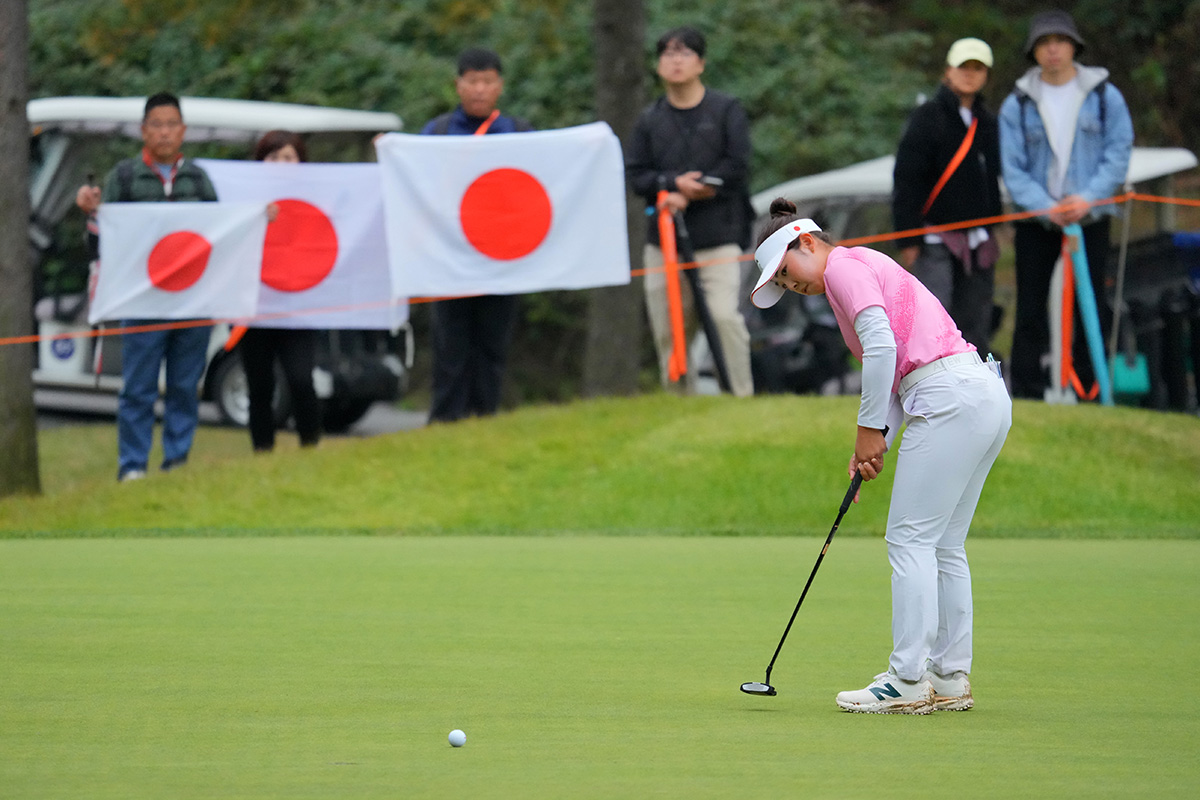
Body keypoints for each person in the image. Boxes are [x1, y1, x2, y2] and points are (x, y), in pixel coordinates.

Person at [750, 199, 1012, 714]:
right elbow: (890, 369)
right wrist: (878, 439)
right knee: (943, 544)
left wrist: (868, 429)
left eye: (785, 271)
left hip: (946, 395)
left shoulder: (845, 266)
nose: (789, 284)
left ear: (807, 241)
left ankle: (908, 679)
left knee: (910, 539)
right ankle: (949, 677)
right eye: (779, 283)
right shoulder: (858, 272)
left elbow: (883, 348)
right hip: (978, 393)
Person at [75, 92, 219, 482]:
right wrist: (91, 212)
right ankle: (133, 466)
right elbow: (101, 242)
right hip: (143, 301)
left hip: (192, 302)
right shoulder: (123, 177)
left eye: (171, 124)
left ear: (183, 131)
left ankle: (176, 461)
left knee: (184, 387)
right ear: (143, 131)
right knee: (138, 388)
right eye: (156, 125)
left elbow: (219, 236)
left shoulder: (199, 179)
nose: (164, 133)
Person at [999, 10, 1134, 399]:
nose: (1053, 48)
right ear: (1034, 52)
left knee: (1092, 303)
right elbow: (1014, 168)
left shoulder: (1105, 96)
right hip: (1036, 222)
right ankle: (1026, 394)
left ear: (1074, 46)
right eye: (1044, 42)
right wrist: (1046, 207)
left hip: (1090, 218)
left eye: (1060, 40)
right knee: (1029, 308)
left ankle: (1091, 389)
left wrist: (1086, 199)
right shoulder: (1017, 104)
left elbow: (1118, 151)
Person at [626, 25, 755, 397]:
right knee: (669, 325)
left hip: (719, 238)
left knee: (723, 317)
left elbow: (737, 166)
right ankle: (680, 402)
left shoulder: (726, 110)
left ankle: (740, 396)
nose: (675, 61)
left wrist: (695, 191)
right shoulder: (649, 119)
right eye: (667, 54)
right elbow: (637, 176)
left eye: (684, 54)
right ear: (658, 65)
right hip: (662, 243)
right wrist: (671, 184)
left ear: (700, 63)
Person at [421, 47, 533, 424]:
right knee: (449, 343)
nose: (480, 89)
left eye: (488, 81)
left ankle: (486, 419)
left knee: (493, 343)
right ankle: (445, 420)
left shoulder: (520, 133)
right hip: (450, 255)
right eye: (473, 81)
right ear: (458, 85)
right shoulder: (436, 133)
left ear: (500, 86)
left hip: (502, 256)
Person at [892, 37, 1003, 354]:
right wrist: (908, 239)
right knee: (934, 321)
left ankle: (975, 391)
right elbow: (906, 180)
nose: (969, 74)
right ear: (948, 71)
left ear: (986, 75)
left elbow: (992, 178)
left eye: (977, 68)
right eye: (963, 66)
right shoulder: (927, 117)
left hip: (978, 240)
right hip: (934, 240)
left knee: (976, 323)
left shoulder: (989, 122)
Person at [239, 130, 322, 452]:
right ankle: (263, 451)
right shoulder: (245, 195)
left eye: (288, 157)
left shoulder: (317, 199)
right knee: (259, 384)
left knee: (302, 379)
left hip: (298, 305)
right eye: (273, 157)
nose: (280, 164)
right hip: (255, 305)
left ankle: (310, 445)